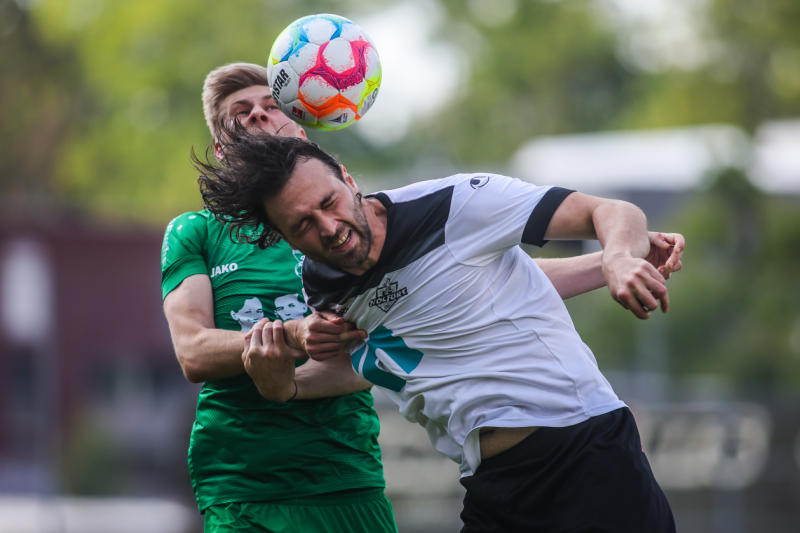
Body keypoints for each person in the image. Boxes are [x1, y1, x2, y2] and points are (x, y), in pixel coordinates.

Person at [196, 131, 683, 532]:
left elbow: (612, 211)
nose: (329, 226)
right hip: (492, 482)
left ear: (348, 179)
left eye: (329, 202)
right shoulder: (321, 283)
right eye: (304, 224)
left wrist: (618, 257)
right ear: (284, 237)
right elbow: (374, 361)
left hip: (584, 453)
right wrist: (286, 386)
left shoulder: (456, 205)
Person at [161, 63, 398, 533]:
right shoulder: (195, 232)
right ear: (220, 148)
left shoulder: (343, 222)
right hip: (243, 486)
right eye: (240, 112)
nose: (258, 115)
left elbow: (382, 346)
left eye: (272, 106)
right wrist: (292, 336)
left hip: (346, 475)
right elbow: (192, 351)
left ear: (302, 132)